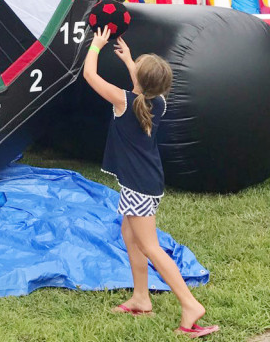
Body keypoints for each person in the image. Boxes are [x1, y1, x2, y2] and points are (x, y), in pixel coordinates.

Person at [83, 26, 218, 339]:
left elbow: (90, 75)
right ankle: (141, 299)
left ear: (141, 81)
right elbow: (144, 85)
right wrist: (130, 60)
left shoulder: (124, 101)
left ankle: (190, 305)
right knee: (129, 236)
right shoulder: (158, 103)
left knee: (150, 246)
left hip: (138, 187)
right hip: (148, 182)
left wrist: (96, 45)